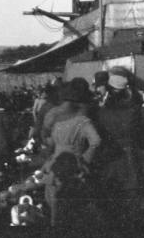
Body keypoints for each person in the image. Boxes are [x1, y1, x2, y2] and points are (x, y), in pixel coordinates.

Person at [43, 79, 101, 228]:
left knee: (55, 203)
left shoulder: (55, 117)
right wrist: (84, 160)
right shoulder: (83, 120)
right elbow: (96, 141)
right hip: (75, 165)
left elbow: (48, 140)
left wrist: (50, 157)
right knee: (77, 206)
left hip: (55, 164)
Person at [95, 69, 142, 226]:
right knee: (131, 191)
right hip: (129, 155)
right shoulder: (133, 111)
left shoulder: (102, 112)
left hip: (110, 157)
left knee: (112, 193)